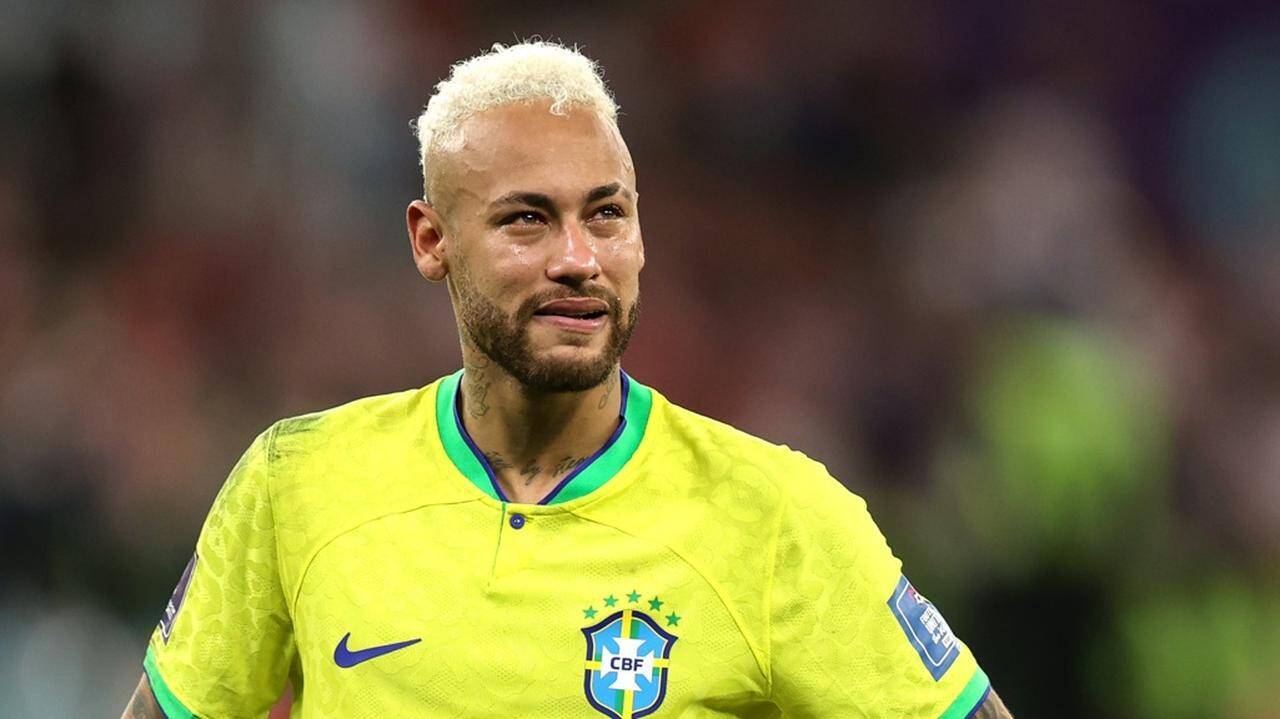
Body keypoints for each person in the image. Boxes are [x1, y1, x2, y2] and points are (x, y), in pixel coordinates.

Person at [122, 41, 1012, 718]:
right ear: (431, 240)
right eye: (527, 220)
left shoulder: (776, 515)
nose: (580, 258)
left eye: (607, 214)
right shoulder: (297, 483)